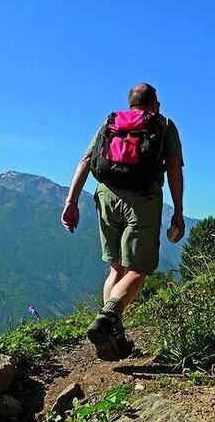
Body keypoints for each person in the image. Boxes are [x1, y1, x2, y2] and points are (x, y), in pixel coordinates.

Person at [61, 83, 184, 360]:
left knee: (115, 268)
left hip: (105, 195)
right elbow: (174, 167)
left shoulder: (112, 122)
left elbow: (85, 160)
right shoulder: (163, 124)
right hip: (142, 198)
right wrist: (177, 209)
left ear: (131, 104)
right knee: (138, 270)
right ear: (154, 104)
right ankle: (108, 319)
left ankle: (114, 336)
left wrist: (71, 201)